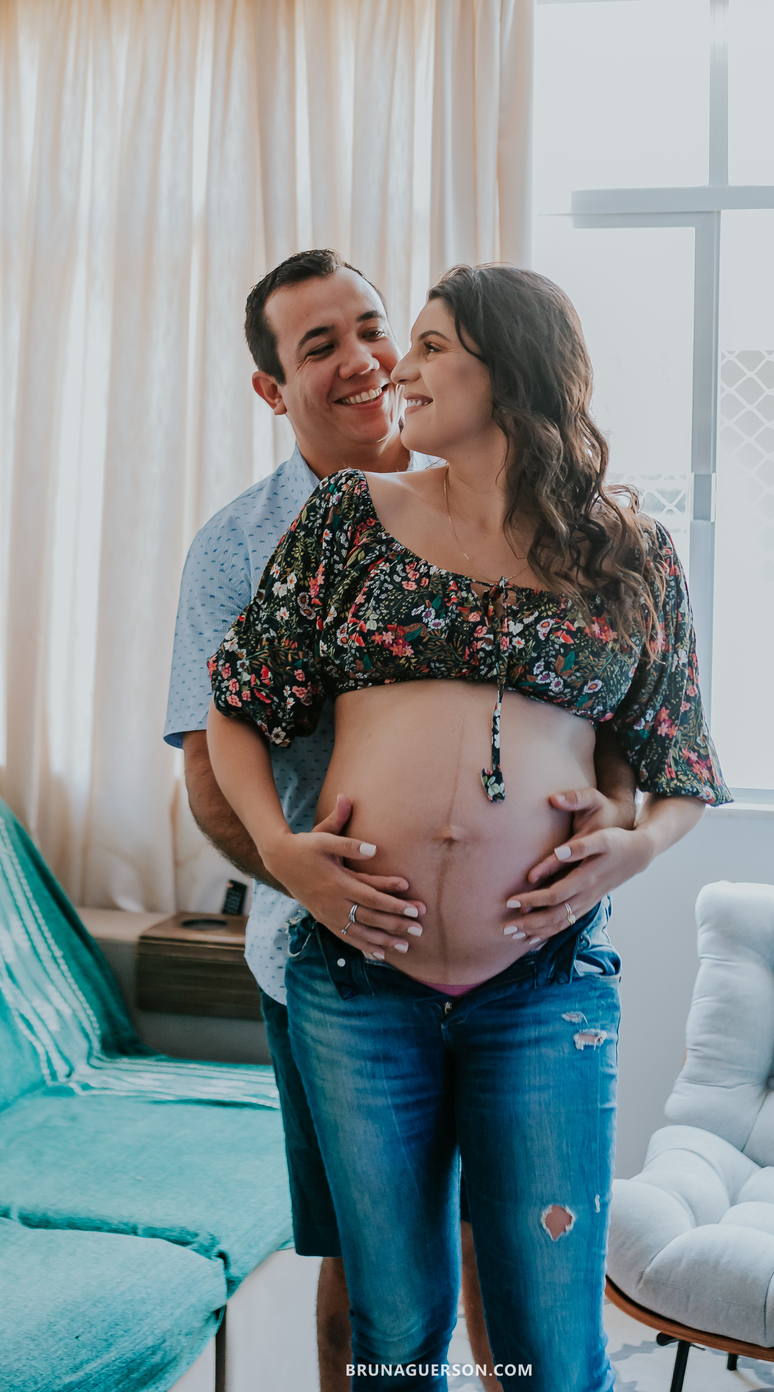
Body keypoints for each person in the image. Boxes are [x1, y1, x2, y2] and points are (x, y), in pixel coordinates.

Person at [206, 262, 731, 1387]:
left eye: (434, 344)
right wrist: (287, 858)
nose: (404, 367)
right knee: (396, 1342)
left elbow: (678, 759)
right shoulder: (351, 521)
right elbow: (236, 707)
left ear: (516, 369)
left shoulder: (628, 554)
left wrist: (636, 845)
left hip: (543, 988)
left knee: (551, 1348)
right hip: (358, 988)